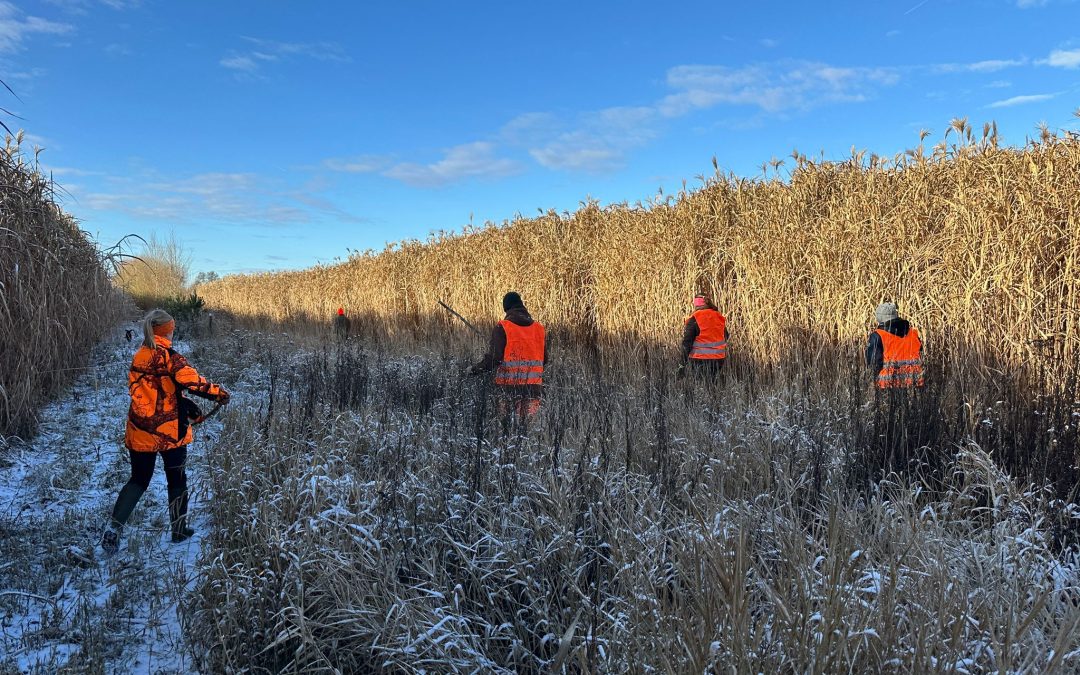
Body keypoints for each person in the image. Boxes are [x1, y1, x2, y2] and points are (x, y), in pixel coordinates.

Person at [101, 309, 229, 553]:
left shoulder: (140, 355)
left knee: (138, 479)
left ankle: (114, 528)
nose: (173, 330)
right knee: (177, 480)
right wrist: (220, 394)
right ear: (167, 330)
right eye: (172, 327)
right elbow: (194, 382)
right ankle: (179, 530)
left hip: (140, 428)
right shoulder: (171, 357)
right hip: (171, 431)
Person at [468, 292, 547, 418]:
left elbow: (494, 359)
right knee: (529, 432)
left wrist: (474, 370)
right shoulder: (539, 328)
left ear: (507, 308)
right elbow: (544, 359)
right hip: (533, 389)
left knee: (507, 430)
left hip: (508, 390)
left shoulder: (503, 327)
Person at [866, 302, 925, 389]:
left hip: (888, 385)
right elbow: (921, 354)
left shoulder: (877, 336)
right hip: (915, 383)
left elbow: (873, 363)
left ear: (880, 317)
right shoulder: (913, 333)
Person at [677, 294, 728, 381]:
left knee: (701, 386)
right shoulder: (718, 316)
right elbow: (726, 335)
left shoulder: (695, 318)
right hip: (718, 360)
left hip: (700, 360)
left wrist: (682, 364)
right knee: (713, 385)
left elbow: (687, 343)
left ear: (696, 304)